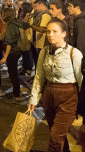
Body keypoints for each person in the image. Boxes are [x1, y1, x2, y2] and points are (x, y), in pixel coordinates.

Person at [28, 18, 83, 152]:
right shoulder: (44, 51)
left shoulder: (74, 53)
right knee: (57, 133)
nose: (50, 34)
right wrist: (33, 98)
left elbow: (81, 80)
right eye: (48, 32)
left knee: (55, 136)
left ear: (64, 33)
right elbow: (39, 76)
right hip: (49, 95)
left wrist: (82, 106)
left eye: (55, 31)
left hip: (68, 97)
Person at [66, 0, 85, 147]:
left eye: (69, 7)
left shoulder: (80, 21)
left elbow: (81, 45)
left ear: (76, 7)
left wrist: (79, 62)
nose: (68, 9)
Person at [0, 8, 24, 103]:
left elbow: (9, 43)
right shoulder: (16, 23)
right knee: (13, 73)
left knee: (13, 73)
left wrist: (5, 57)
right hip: (16, 51)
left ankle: (16, 95)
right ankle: (15, 93)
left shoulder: (11, 26)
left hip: (13, 52)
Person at [29, 0, 52, 68]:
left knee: (40, 65)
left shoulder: (45, 15)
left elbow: (42, 29)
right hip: (39, 43)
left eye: (36, 6)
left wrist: (31, 26)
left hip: (43, 44)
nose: (35, 8)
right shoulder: (40, 15)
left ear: (41, 5)